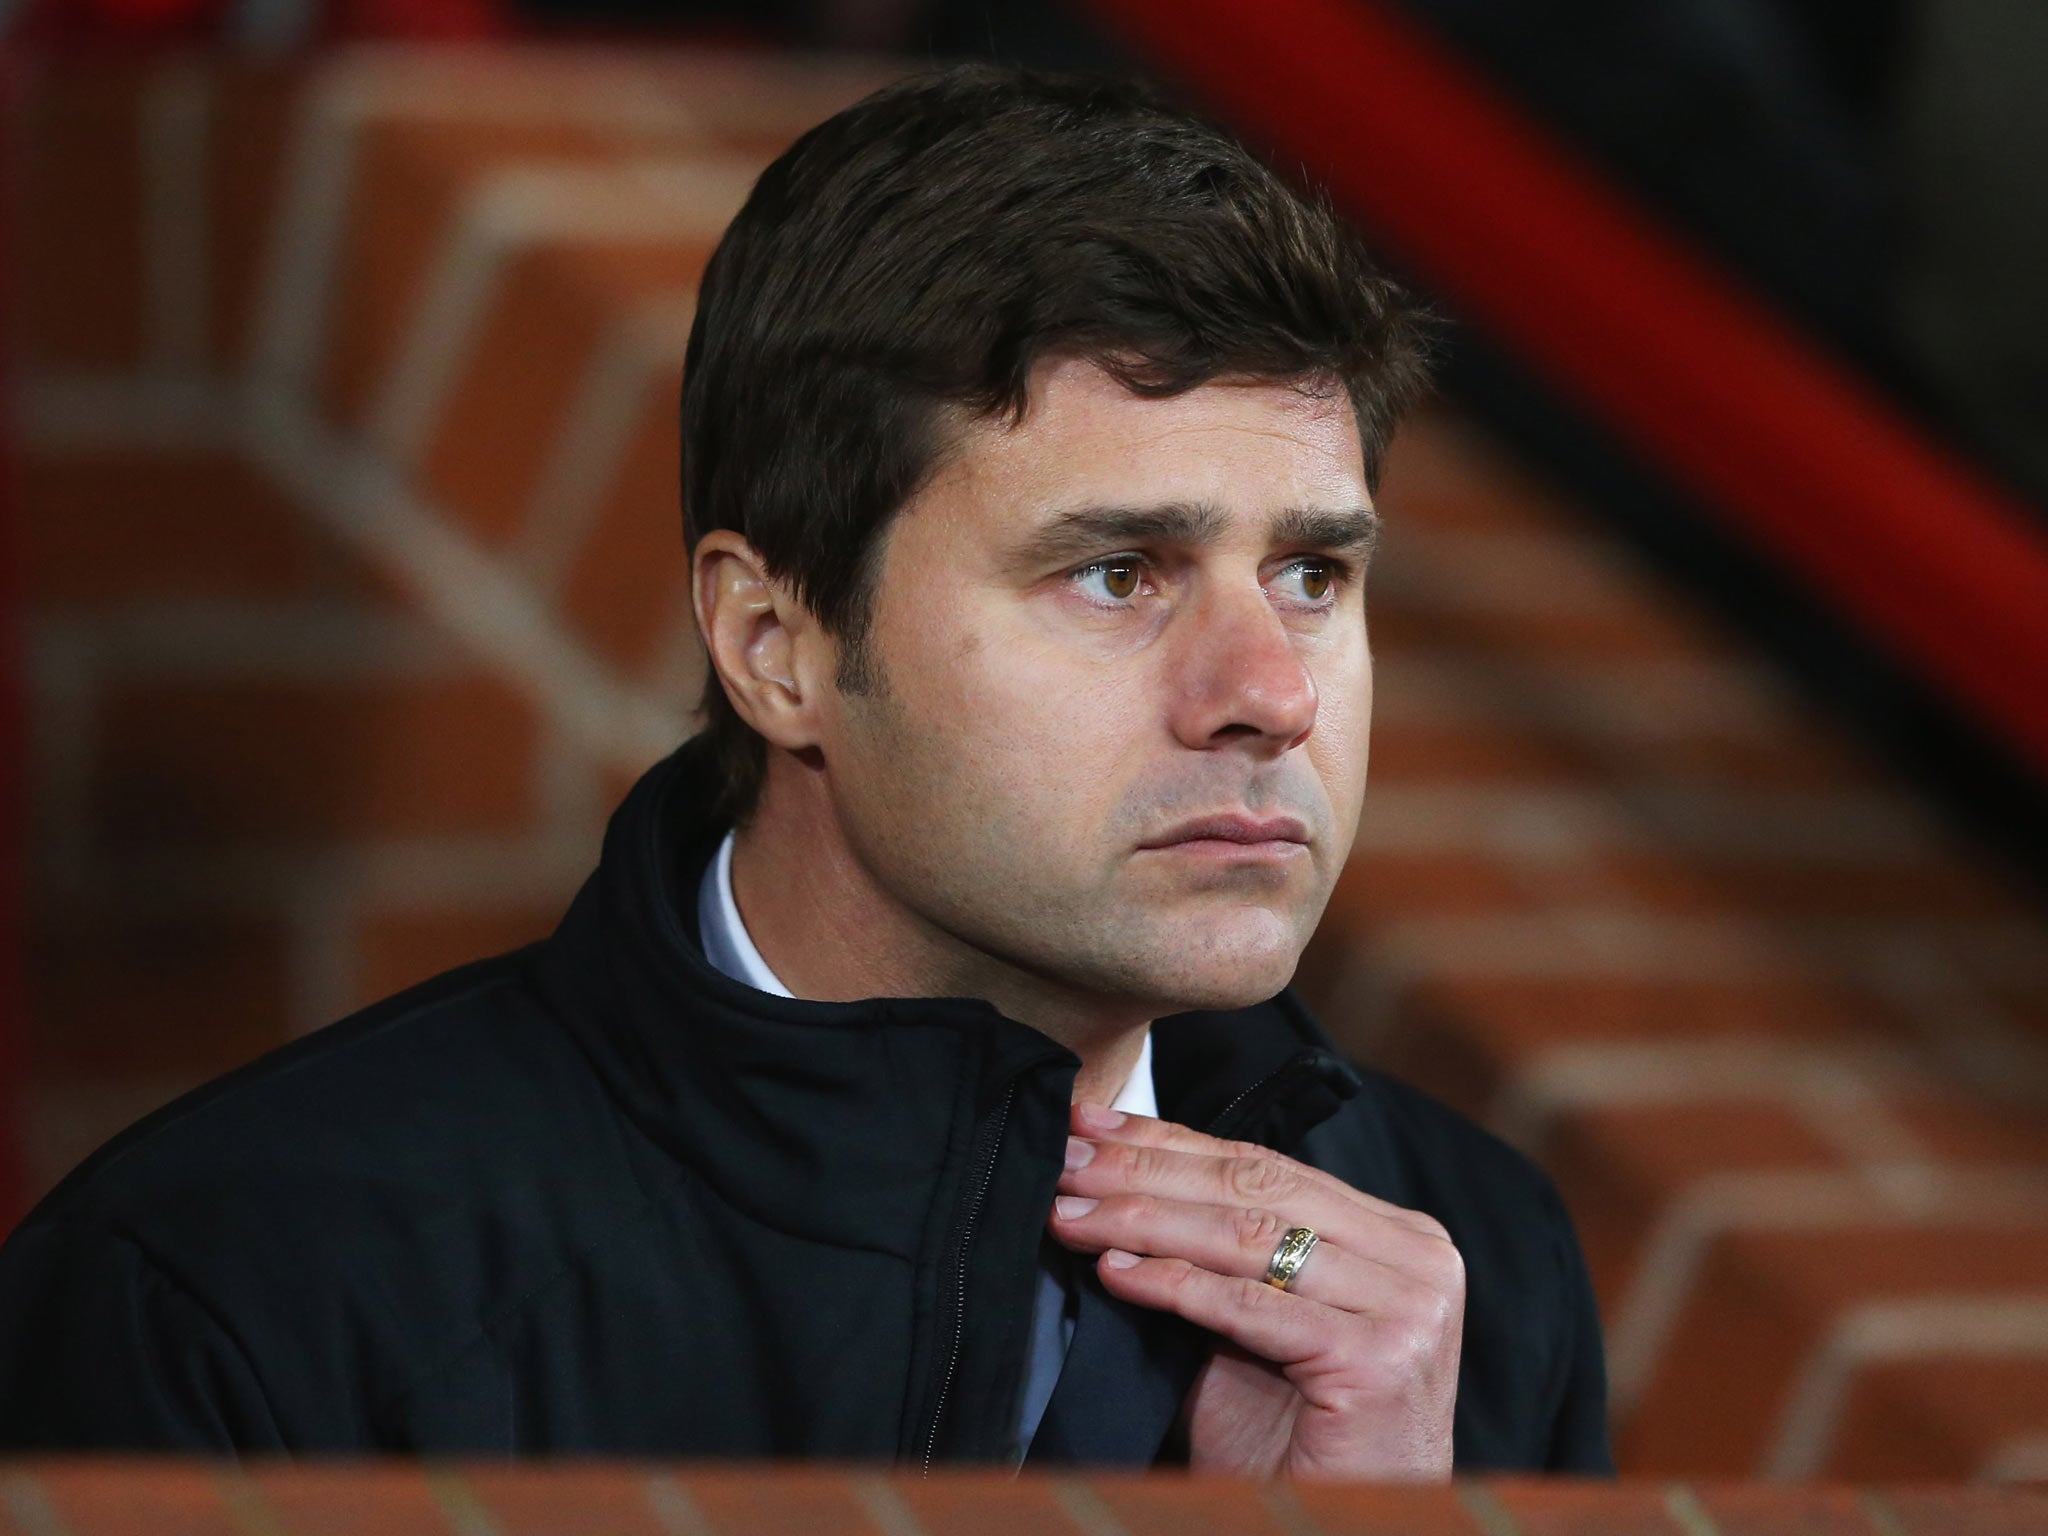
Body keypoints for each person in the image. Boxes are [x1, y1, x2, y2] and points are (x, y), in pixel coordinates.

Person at [0, 63, 1609, 1475]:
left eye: (1315, 576)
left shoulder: (1462, 1267)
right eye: (1119, 572)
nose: (1270, 692)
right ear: (775, 646)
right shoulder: (241, 1285)